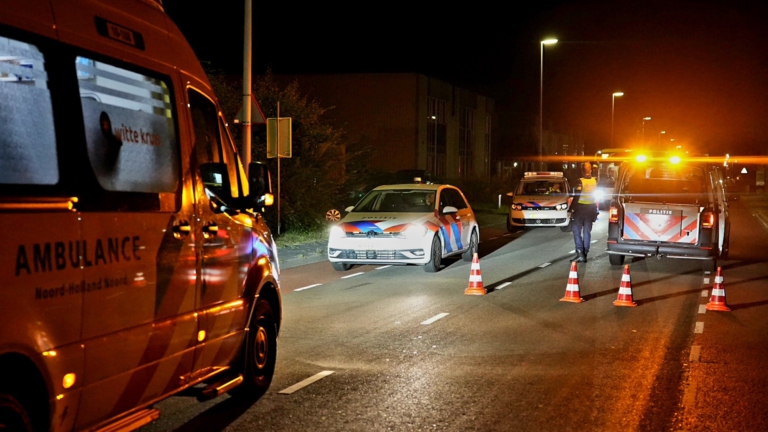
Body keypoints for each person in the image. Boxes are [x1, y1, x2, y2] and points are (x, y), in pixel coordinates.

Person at [569, 162, 598, 262]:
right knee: (587, 232)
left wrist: (571, 209)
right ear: (590, 170)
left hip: (580, 209)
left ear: (581, 171)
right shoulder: (595, 181)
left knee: (576, 231)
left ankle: (580, 253)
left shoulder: (580, 181)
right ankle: (585, 253)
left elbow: (577, 196)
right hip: (591, 209)